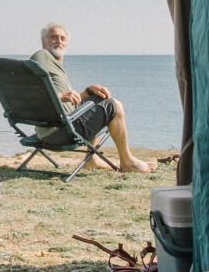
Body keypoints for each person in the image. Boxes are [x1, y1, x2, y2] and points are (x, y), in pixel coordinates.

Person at [30, 22, 156, 173]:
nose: (59, 41)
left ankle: (91, 161)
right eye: (54, 37)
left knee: (97, 99)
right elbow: (33, 93)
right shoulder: (42, 56)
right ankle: (127, 162)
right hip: (59, 133)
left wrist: (87, 92)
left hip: (50, 131)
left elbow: (65, 101)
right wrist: (61, 95)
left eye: (63, 38)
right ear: (44, 41)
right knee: (113, 105)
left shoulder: (52, 64)